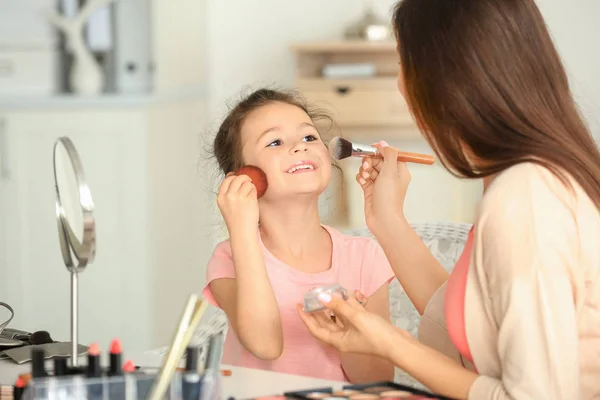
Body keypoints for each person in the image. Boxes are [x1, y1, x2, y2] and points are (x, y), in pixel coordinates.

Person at [298, 0, 600, 399]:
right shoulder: (520, 179)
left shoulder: (525, 198)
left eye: (403, 63)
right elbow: (465, 323)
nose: (401, 85)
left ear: (445, 80)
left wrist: (390, 342)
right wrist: (386, 219)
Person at [202, 88, 395, 382]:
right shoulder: (229, 256)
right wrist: (241, 229)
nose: (300, 147)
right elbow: (265, 345)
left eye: (309, 137)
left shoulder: (365, 257)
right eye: (275, 142)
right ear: (242, 178)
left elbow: (378, 382)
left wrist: (348, 333)